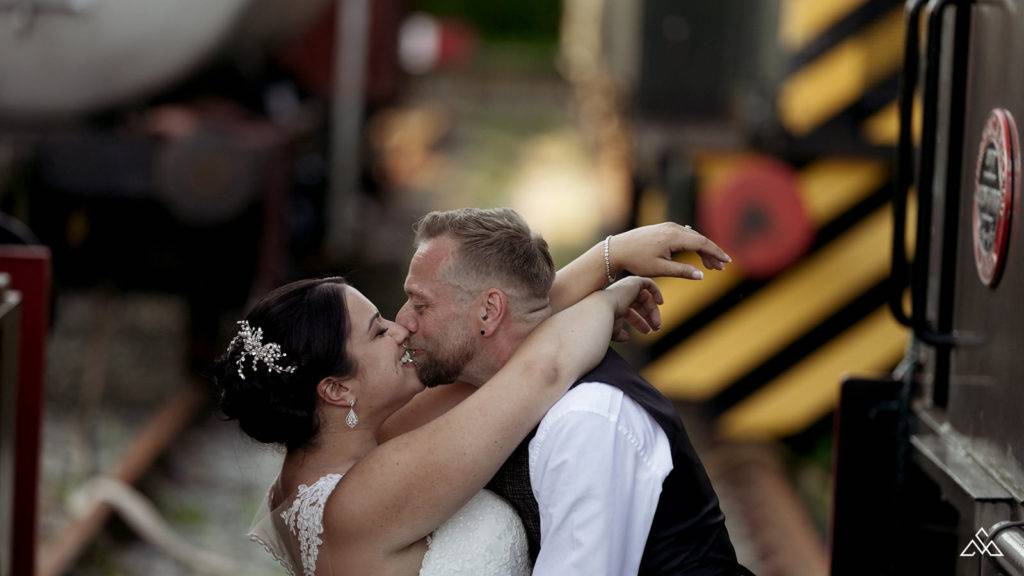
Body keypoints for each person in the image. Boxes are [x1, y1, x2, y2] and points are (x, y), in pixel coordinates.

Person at [214, 270, 665, 573]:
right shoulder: (364, 497)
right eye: (377, 330)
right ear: (336, 390)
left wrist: (609, 256)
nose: (400, 329)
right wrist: (610, 298)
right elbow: (540, 372)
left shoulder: (325, 461)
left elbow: (493, 335)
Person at [386, 208, 750, 575]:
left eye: (420, 303)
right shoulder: (495, 393)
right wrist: (609, 262)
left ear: (488, 312)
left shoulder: (586, 422)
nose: (402, 322)